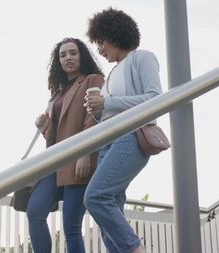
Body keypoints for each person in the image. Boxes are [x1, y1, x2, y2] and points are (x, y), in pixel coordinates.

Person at [83, 8, 163, 253]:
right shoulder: (111, 75)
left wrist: (106, 102)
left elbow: (155, 99)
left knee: (95, 197)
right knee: (111, 206)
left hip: (131, 138)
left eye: (101, 42)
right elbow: (111, 116)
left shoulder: (142, 58)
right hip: (109, 143)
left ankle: (135, 249)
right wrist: (96, 112)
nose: (100, 49)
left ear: (114, 35)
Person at [26, 37, 104, 253]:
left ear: (82, 55)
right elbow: (55, 137)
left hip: (79, 159)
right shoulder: (57, 94)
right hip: (55, 161)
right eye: (63, 55)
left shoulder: (93, 79)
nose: (68, 58)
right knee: (34, 212)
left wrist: (85, 154)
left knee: (71, 227)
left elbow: (93, 120)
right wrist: (45, 127)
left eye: (73, 53)